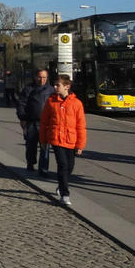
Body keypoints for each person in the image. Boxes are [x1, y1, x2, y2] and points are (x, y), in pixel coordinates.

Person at [39, 75, 87, 206]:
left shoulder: (76, 103)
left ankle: (61, 185)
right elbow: (44, 122)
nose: (55, 87)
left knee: (70, 166)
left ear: (67, 86)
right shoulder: (51, 101)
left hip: (71, 139)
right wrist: (43, 140)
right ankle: (65, 195)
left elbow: (81, 126)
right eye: (54, 85)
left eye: (57, 85)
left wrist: (80, 145)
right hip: (56, 139)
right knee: (63, 165)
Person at [17, 69, 53, 176]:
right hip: (31, 122)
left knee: (45, 147)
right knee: (31, 146)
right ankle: (30, 163)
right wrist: (22, 118)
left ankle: (43, 169)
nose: (42, 80)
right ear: (35, 77)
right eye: (40, 77)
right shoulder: (28, 89)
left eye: (44, 77)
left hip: (46, 123)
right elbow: (21, 104)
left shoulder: (51, 90)